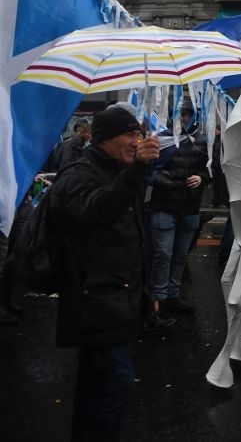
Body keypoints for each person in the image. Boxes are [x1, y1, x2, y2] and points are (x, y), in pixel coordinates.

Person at [47, 105, 160, 441]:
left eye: (138, 134)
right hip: (94, 304)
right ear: (104, 138)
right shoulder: (79, 174)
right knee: (115, 386)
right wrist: (136, 171)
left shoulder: (119, 172)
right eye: (129, 134)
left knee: (94, 386)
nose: (136, 141)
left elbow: (135, 241)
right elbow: (98, 211)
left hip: (118, 301)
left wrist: (147, 293)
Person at [146, 106, 209, 314]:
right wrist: (176, 182)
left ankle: (173, 294)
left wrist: (201, 178)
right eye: (182, 115)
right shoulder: (159, 140)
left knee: (180, 254)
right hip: (164, 206)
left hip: (190, 207)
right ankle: (160, 298)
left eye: (188, 116)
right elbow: (149, 174)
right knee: (163, 254)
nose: (184, 119)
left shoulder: (200, 140)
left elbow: (210, 168)